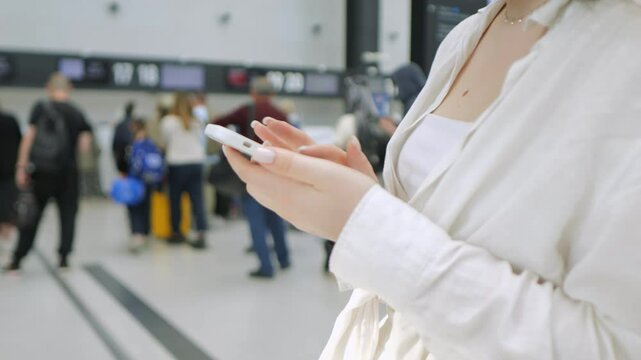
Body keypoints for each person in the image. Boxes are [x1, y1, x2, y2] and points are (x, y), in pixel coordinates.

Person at [225, 0, 641, 358]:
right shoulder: (469, 33)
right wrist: (372, 198)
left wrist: (370, 224)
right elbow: (442, 220)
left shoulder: (622, 56)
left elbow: (614, 347)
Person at [7, 73, 92, 271]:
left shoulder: (41, 107)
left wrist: (21, 166)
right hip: (68, 172)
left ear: (49, 88)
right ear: (69, 89)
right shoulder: (77, 112)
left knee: (32, 214)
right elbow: (85, 146)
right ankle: (63, 257)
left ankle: (18, 257)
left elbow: (29, 137)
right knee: (68, 215)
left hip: (42, 171)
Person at [212, 76, 291, 279]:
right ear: (272, 94)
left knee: (256, 220)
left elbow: (218, 123)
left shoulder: (247, 111)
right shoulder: (281, 115)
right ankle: (283, 258)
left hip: (254, 173)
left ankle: (266, 266)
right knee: (275, 217)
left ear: (253, 93)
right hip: (277, 173)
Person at [161, 92, 208, 249]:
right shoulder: (198, 121)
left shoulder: (168, 122)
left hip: (177, 165)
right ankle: (201, 233)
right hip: (196, 163)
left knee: (175, 200)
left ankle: (177, 232)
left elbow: (164, 142)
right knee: (198, 200)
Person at [125, 118, 156, 253]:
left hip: (135, 181)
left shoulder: (134, 144)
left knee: (135, 207)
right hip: (149, 180)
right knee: (146, 206)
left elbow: (128, 163)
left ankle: (138, 234)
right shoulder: (151, 144)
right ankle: (146, 233)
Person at [0, 106, 22, 239]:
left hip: (8, 166)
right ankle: (6, 232)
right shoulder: (11, 120)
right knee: (8, 200)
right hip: (9, 166)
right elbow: (20, 141)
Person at [112, 101, 136, 177]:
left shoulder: (120, 124)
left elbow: (115, 143)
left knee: (124, 178)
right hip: (132, 156)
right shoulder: (135, 124)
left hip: (121, 155)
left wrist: (115, 155)